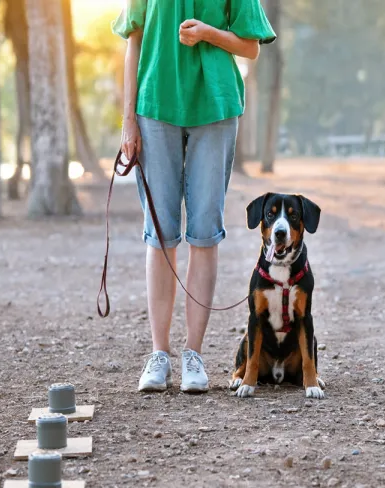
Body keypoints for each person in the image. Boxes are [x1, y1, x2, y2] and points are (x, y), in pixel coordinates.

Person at [112, 1, 276, 393]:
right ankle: (159, 355)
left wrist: (208, 34)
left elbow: (251, 47)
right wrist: (128, 122)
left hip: (216, 110)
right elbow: (133, 43)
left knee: (204, 232)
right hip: (154, 108)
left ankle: (194, 354)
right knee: (160, 234)